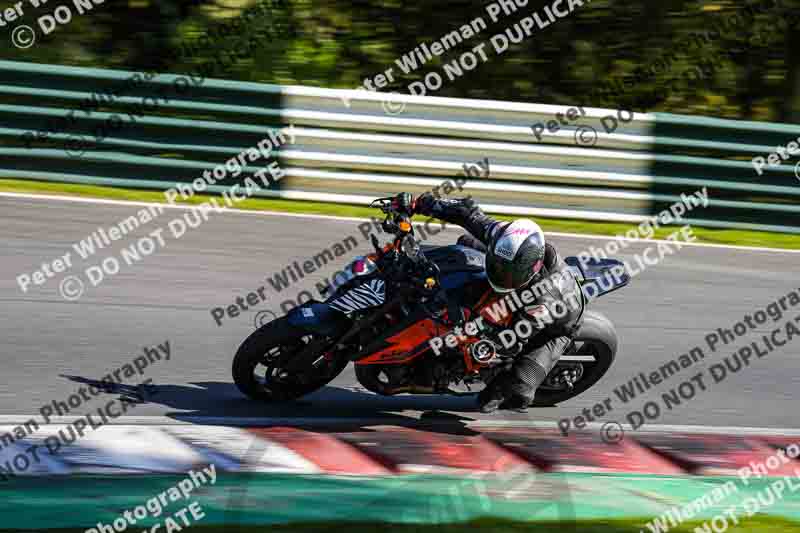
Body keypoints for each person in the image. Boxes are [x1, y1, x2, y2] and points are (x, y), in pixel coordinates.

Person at [408, 191, 585, 413]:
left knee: (517, 390)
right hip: (520, 287)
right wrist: (419, 203)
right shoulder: (504, 238)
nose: (501, 274)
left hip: (555, 326)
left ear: (532, 269)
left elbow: (512, 340)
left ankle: (502, 387)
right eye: (499, 266)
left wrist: (472, 343)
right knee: (464, 246)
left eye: (509, 273)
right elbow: (466, 212)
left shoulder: (543, 301)